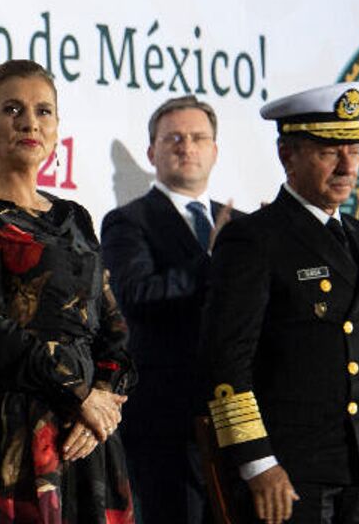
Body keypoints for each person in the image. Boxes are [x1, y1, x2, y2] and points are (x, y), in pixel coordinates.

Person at [199, 82, 359, 524]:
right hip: (289, 472)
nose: (347, 165)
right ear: (287, 155)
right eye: (329, 150)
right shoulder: (254, 238)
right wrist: (257, 461)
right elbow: (226, 358)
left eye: (354, 149)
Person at [0, 59, 135, 523]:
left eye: (43, 111)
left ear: (57, 126)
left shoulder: (75, 216)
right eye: (13, 109)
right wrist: (81, 396)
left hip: (91, 435)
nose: (30, 122)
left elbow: (113, 329)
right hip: (17, 430)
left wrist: (104, 401)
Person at [102, 95, 236, 524]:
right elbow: (138, 295)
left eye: (198, 138)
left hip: (236, 416)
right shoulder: (128, 221)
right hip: (165, 420)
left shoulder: (241, 224)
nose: (186, 146)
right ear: (151, 152)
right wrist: (211, 262)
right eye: (173, 138)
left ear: (214, 151)